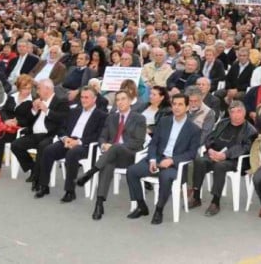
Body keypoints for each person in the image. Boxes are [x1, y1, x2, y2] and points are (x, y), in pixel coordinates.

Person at [125, 93, 200, 224]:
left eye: (180, 104)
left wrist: (172, 160)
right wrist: (153, 159)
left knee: (165, 177)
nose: (176, 107)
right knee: (131, 171)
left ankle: (159, 210)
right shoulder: (164, 121)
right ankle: (142, 206)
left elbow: (192, 153)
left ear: (187, 107)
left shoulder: (193, 129)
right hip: (158, 158)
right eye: (174, 104)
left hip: (175, 164)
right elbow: (153, 143)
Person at [75, 90, 147, 221]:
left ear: (130, 101)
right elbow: (102, 136)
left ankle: (90, 172)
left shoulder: (139, 118)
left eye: (123, 99)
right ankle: (99, 204)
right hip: (111, 156)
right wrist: (103, 145)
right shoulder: (111, 117)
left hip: (130, 156)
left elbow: (138, 142)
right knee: (108, 164)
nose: (120, 102)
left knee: (115, 147)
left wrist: (113, 147)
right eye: (118, 100)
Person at [35, 86, 107, 201]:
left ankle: (70, 191)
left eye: (87, 97)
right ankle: (44, 186)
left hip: (85, 145)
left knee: (72, 154)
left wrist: (78, 142)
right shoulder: (74, 111)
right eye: (82, 97)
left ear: (94, 99)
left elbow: (98, 135)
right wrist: (65, 139)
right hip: (68, 140)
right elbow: (62, 128)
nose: (83, 100)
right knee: (48, 150)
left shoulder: (101, 115)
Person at [189, 100, 257, 216]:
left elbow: (245, 148)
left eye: (239, 112)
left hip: (234, 160)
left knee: (219, 166)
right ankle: (196, 196)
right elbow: (210, 137)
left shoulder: (250, 130)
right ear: (229, 113)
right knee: (199, 160)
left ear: (244, 113)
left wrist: (225, 155)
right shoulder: (223, 123)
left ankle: (215, 201)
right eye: (232, 112)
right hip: (214, 154)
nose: (235, 115)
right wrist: (210, 149)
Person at [9, 79, 70, 188]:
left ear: (47, 89)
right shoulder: (38, 100)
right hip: (34, 134)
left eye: (39, 89)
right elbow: (28, 121)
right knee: (15, 145)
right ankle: (33, 168)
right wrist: (33, 110)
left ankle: (38, 178)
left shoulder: (61, 101)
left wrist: (47, 111)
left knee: (43, 146)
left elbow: (63, 119)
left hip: (50, 135)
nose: (37, 92)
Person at [0, 74, 35, 181]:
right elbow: (3, 111)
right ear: (19, 88)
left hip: (17, 129)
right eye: (25, 88)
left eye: (29, 88)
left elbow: (30, 120)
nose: (27, 91)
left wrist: (16, 122)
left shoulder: (32, 101)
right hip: (5, 125)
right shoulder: (12, 97)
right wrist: (6, 120)